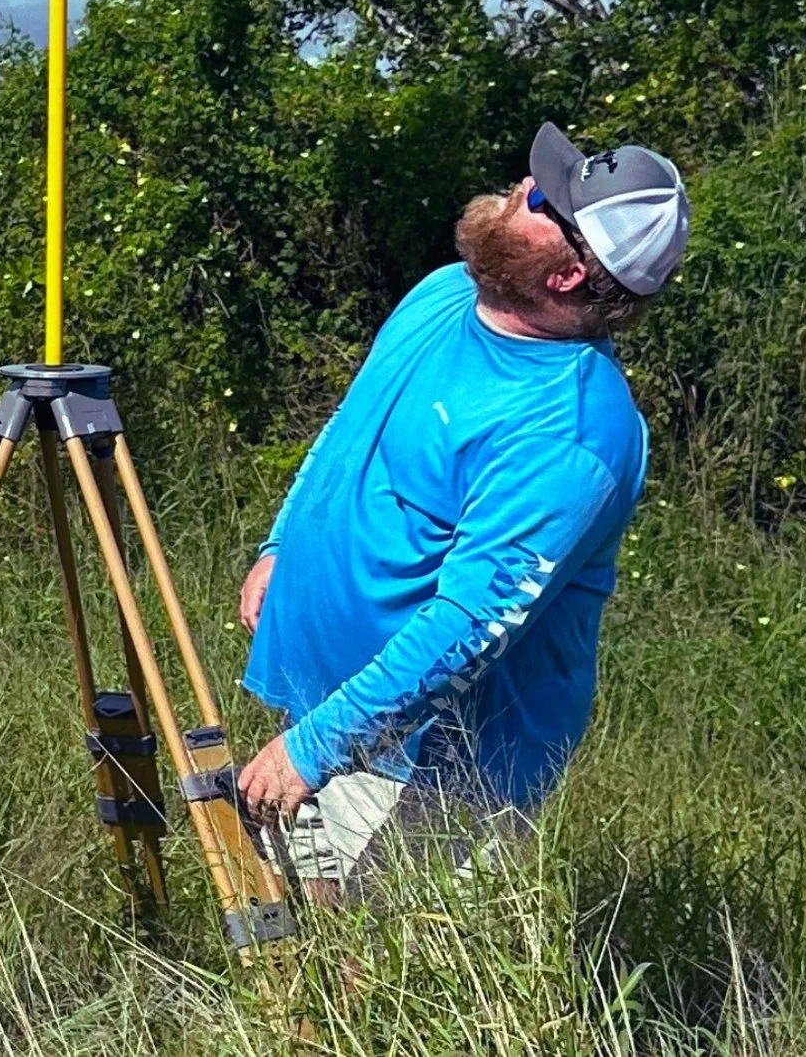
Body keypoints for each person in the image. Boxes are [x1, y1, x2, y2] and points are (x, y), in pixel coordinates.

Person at [233, 123, 690, 898]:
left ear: (571, 276)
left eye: (542, 198)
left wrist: (314, 749)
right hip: (344, 712)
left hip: (440, 766)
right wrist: (283, 542)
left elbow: (466, 627)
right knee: (306, 922)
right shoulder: (446, 294)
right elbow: (355, 424)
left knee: (376, 975)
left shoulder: (573, 435)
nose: (522, 184)